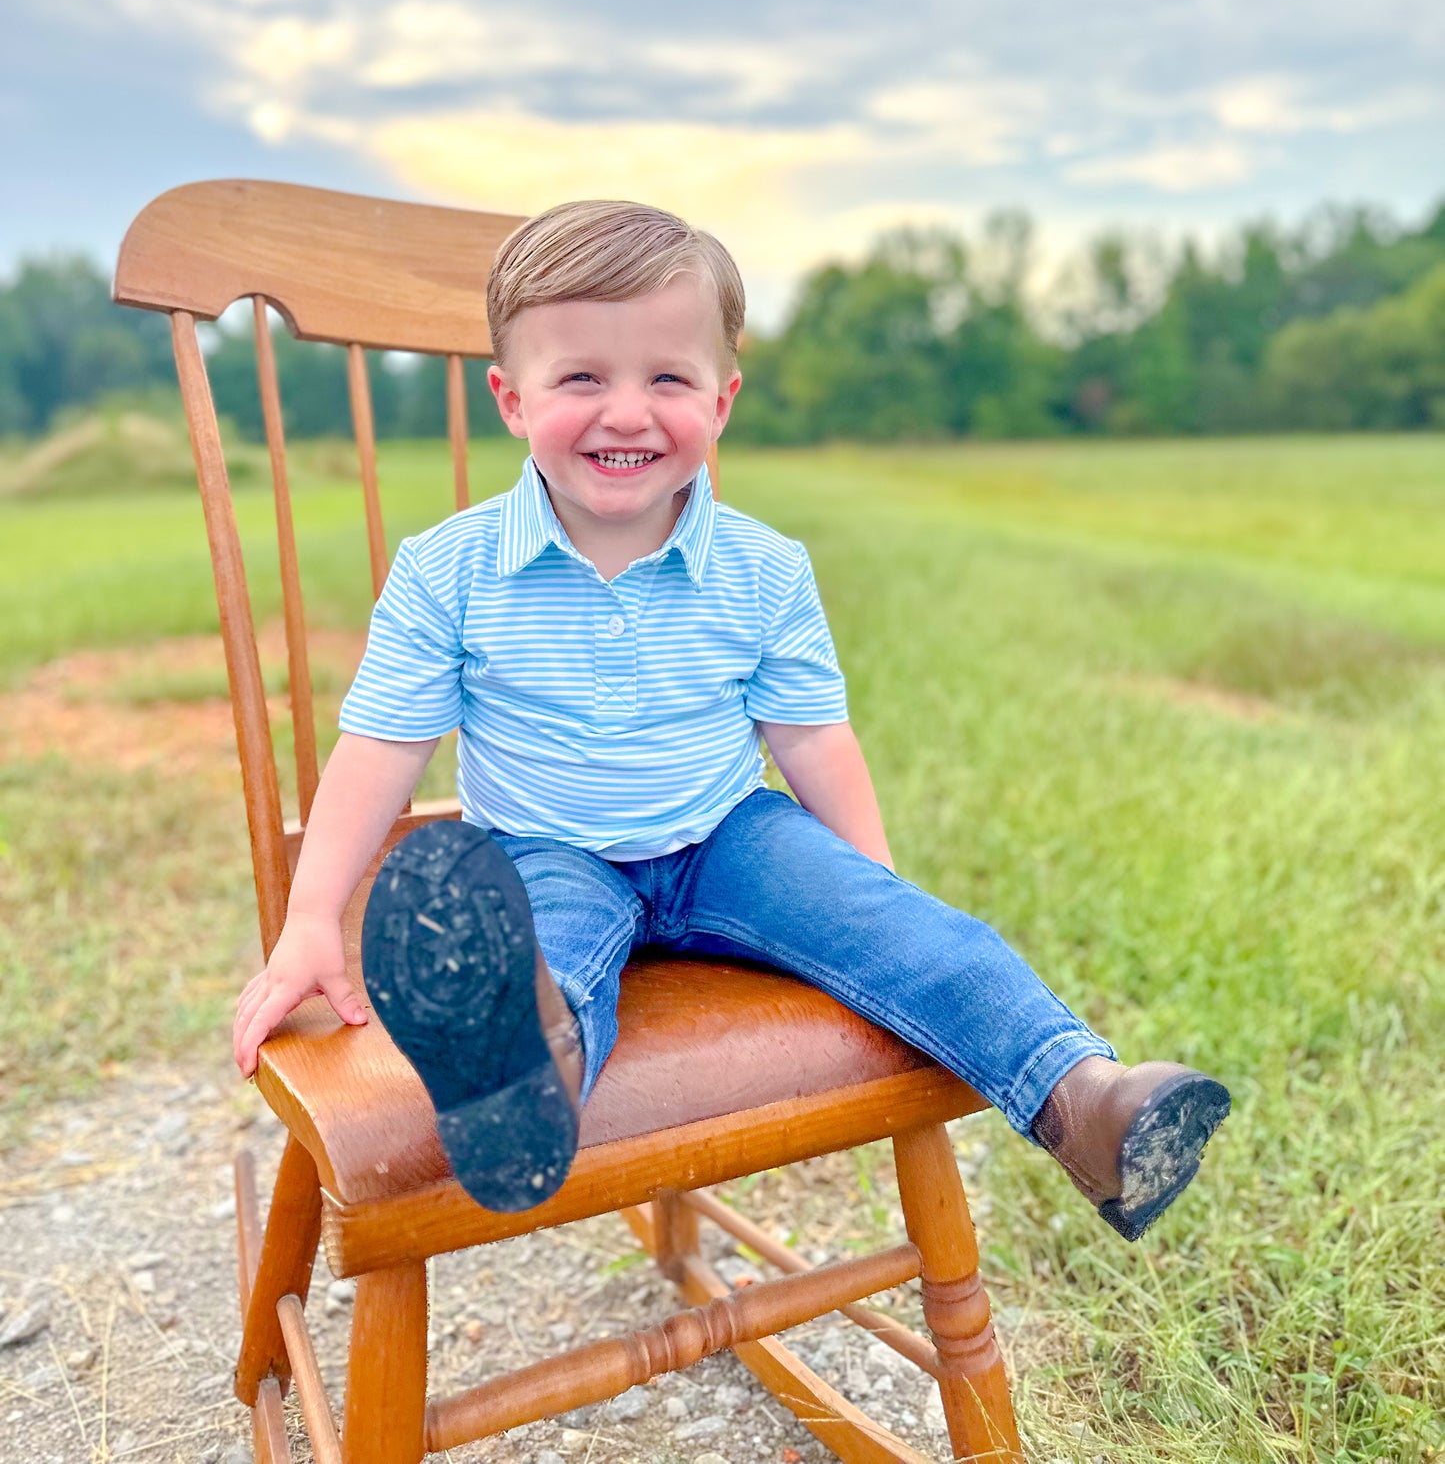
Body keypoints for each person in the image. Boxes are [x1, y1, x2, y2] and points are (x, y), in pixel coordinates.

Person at [232, 199, 1229, 1237]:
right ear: (511, 399)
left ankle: (1084, 1101)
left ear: (721, 400)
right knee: (552, 954)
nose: (627, 412)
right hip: (544, 846)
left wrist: (867, 884)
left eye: (667, 377)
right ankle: (519, 1077)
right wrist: (310, 920)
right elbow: (380, 752)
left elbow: (810, 737)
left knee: (925, 938)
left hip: (725, 837)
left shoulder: (762, 566)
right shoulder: (450, 569)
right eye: (581, 377)